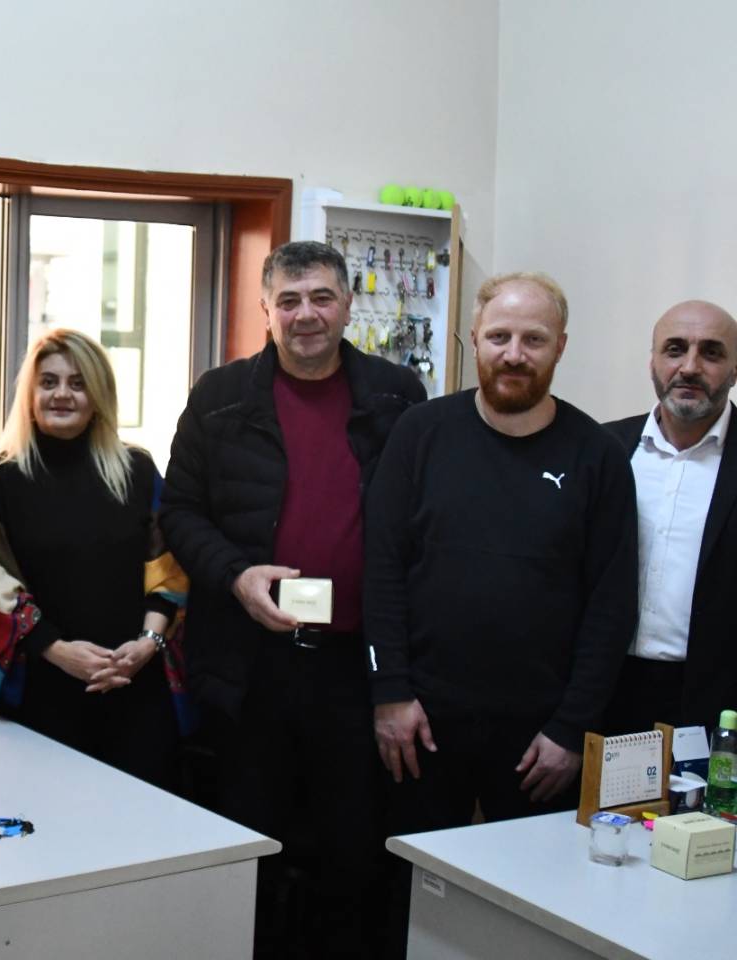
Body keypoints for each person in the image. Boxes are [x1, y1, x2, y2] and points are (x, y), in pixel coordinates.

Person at [160, 240, 426, 957]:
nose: (305, 314)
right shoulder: (219, 396)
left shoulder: (398, 396)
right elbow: (179, 512)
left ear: (347, 306)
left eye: (321, 298)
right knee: (249, 845)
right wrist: (236, 576)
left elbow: (418, 524)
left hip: (355, 667)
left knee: (353, 851)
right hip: (249, 666)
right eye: (289, 300)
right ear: (266, 310)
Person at [365, 272, 637, 952]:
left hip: (540, 739)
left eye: (533, 340)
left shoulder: (599, 456)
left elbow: (611, 605)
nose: (514, 354)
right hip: (422, 723)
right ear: (475, 340)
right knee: (409, 892)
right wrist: (390, 691)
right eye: (499, 337)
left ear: (560, 347)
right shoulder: (420, 433)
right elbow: (383, 570)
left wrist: (572, 728)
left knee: (534, 908)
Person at [0, 328, 187, 789]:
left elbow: (169, 571)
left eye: (78, 383)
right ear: (30, 395)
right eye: (49, 382)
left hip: (137, 688)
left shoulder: (138, 471)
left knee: (147, 821)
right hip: (46, 692)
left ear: (98, 396)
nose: (62, 394)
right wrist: (59, 651)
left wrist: (147, 643)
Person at [604, 300, 737, 735]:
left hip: (717, 702)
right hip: (606, 694)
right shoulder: (604, 449)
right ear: (653, 362)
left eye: (711, 353)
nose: (690, 367)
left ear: (734, 369)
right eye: (675, 349)